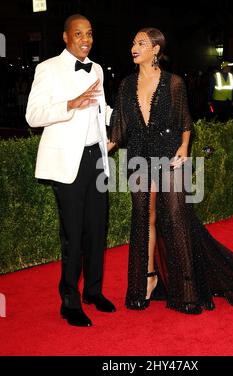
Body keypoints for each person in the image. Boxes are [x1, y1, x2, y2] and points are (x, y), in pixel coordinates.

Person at [107, 27, 233, 314]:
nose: (134, 46)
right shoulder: (126, 85)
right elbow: (118, 129)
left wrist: (184, 147)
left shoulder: (174, 83)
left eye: (141, 43)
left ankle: (186, 290)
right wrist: (94, 150)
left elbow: (185, 121)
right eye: (133, 42)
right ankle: (147, 280)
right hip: (139, 156)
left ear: (155, 49)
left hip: (169, 154)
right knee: (144, 217)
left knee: (177, 217)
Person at [26, 14, 116, 327]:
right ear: (66, 37)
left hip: (96, 160)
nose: (86, 39)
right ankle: (70, 302)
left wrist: (118, 127)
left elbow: (102, 111)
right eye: (79, 34)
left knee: (96, 231)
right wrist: (70, 104)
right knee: (73, 235)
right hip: (69, 163)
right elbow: (33, 115)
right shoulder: (47, 68)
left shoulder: (98, 69)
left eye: (89, 33)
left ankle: (93, 291)